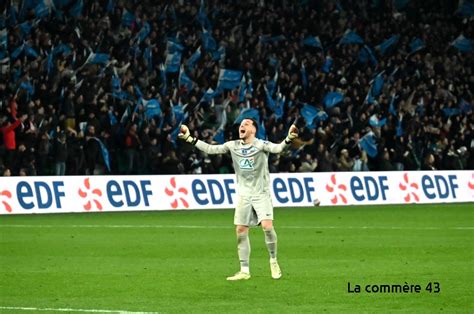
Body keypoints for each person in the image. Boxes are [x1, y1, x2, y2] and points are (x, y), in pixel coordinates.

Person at [178, 118, 298, 281]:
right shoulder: (232, 145)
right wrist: (189, 138)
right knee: (241, 231)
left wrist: (289, 138)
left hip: (261, 193)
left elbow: (278, 149)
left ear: (254, 130)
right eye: (241, 124)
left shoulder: (261, 145)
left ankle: (273, 260)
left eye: (246, 124)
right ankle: (244, 270)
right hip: (244, 194)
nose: (242, 126)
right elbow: (211, 149)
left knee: (267, 227)